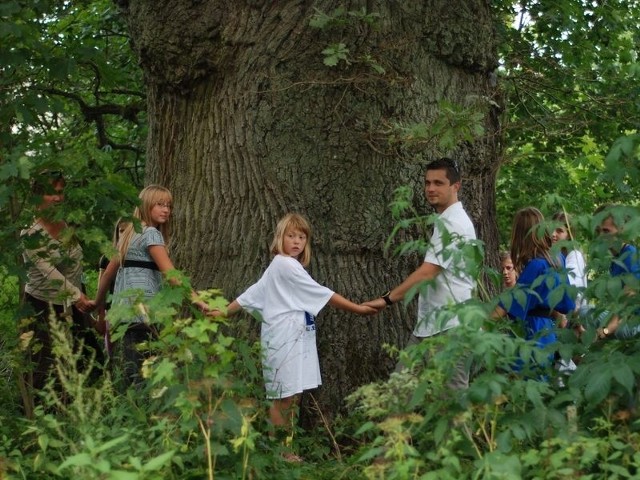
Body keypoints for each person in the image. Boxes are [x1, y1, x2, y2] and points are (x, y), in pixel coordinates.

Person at [212, 213, 376, 462]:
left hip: (294, 337)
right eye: (291, 236)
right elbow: (321, 293)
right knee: (282, 396)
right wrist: (358, 308)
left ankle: (285, 447)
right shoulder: (285, 264)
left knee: (290, 395)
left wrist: (222, 311)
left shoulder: (283, 266)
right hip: (283, 338)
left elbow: (250, 295)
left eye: (301, 237)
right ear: (280, 238)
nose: (297, 241)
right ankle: (281, 453)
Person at [363, 157, 477, 390]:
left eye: (438, 183)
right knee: (397, 394)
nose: (431, 189)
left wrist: (386, 299)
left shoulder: (453, 223)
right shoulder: (445, 220)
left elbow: (428, 272)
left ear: (456, 186)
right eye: (427, 183)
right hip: (429, 327)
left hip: (451, 329)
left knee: (453, 407)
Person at [94, 185, 209, 388]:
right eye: (160, 204)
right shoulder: (151, 234)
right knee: (144, 375)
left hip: (122, 315)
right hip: (143, 315)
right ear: (147, 205)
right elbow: (171, 275)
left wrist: (97, 302)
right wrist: (197, 300)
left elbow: (107, 275)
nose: (166, 210)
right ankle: (143, 415)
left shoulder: (128, 235)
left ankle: (130, 411)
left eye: (168, 206)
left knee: (129, 371)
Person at [20, 171, 104, 414]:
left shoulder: (66, 223)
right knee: (44, 368)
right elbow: (48, 272)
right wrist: (77, 296)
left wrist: (87, 302)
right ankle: (42, 423)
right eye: (51, 193)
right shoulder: (30, 232)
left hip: (75, 302)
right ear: (37, 197)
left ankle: (91, 413)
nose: (57, 198)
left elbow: (75, 265)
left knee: (90, 361)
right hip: (42, 305)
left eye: (60, 192)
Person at [491, 207, 576, 372]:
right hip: (548, 334)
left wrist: (477, 328)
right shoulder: (558, 258)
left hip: (532, 335)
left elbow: (508, 304)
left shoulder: (536, 266)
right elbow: (565, 303)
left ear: (520, 235)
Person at [593, 204, 640, 340]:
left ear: (622, 230)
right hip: (627, 317)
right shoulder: (615, 259)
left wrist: (607, 329)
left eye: (606, 231)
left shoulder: (630, 255)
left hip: (635, 320)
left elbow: (629, 295)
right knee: (587, 313)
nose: (601, 236)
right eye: (598, 231)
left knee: (620, 331)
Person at [96, 219, 127, 357]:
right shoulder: (108, 257)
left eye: (128, 231)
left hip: (133, 308)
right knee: (112, 350)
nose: (124, 234)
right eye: (121, 231)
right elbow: (101, 286)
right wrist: (101, 314)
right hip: (112, 309)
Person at [552, 211, 588, 313]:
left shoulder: (574, 256)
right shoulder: (556, 255)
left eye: (559, 231)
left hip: (575, 316)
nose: (553, 234)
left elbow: (573, 291)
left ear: (568, 234)